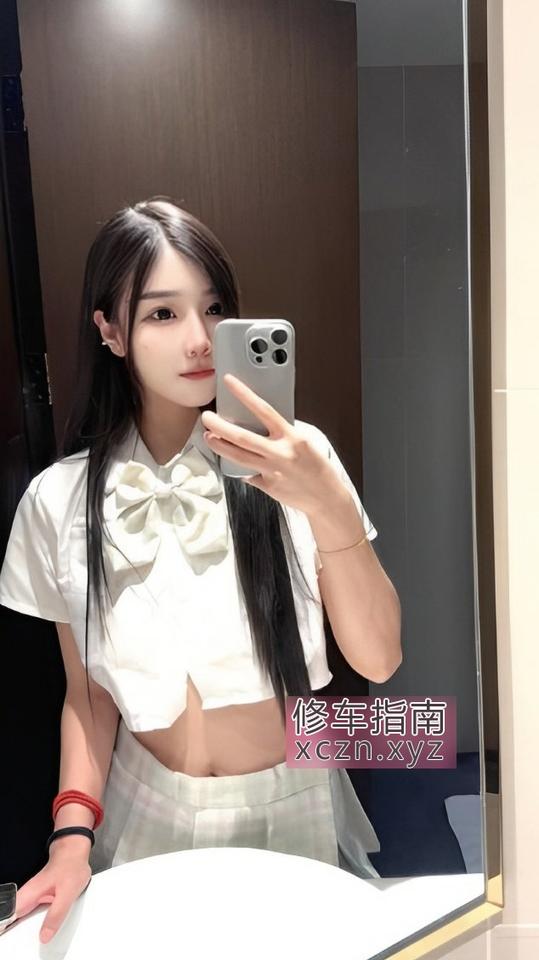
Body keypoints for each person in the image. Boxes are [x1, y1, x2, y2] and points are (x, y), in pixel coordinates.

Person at [0, 196, 401, 944]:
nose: (199, 339)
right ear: (109, 330)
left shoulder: (298, 462)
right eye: (162, 313)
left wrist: (328, 506)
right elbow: (88, 697)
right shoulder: (57, 501)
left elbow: (378, 658)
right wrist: (70, 837)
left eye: (215, 309)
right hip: (140, 804)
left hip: (292, 797)